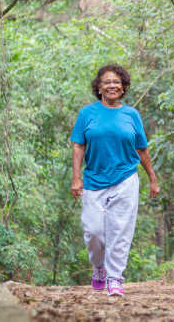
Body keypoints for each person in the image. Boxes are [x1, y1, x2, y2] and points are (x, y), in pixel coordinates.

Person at [70, 63, 160, 297]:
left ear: (123, 87)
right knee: (94, 231)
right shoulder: (87, 113)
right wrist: (76, 178)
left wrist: (152, 179)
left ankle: (115, 278)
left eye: (117, 82)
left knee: (120, 230)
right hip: (93, 179)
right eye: (107, 82)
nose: (112, 85)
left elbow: (142, 149)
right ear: (98, 87)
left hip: (125, 178)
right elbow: (79, 146)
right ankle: (99, 267)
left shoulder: (131, 114)